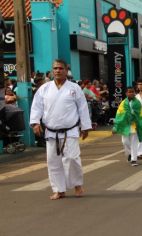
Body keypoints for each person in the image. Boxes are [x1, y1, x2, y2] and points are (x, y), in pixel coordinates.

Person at [30, 59, 92, 200]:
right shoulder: (44, 88)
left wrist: (85, 126)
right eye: (55, 68)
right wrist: (35, 123)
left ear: (66, 70)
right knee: (53, 162)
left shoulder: (74, 88)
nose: (58, 71)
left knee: (72, 158)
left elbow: (82, 107)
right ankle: (59, 190)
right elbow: (36, 107)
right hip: (51, 131)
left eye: (60, 68)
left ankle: (77, 186)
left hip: (70, 131)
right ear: (52, 71)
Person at [112, 87, 142, 166]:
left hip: (134, 125)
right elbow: (119, 115)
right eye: (129, 92)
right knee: (125, 142)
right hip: (125, 125)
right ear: (126, 93)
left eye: (132, 92)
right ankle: (130, 154)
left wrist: (140, 122)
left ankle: (134, 160)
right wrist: (116, 126)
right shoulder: (123, 103)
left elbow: (141, 114)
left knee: (134, 142)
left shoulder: (137, 103)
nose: (131, 93)